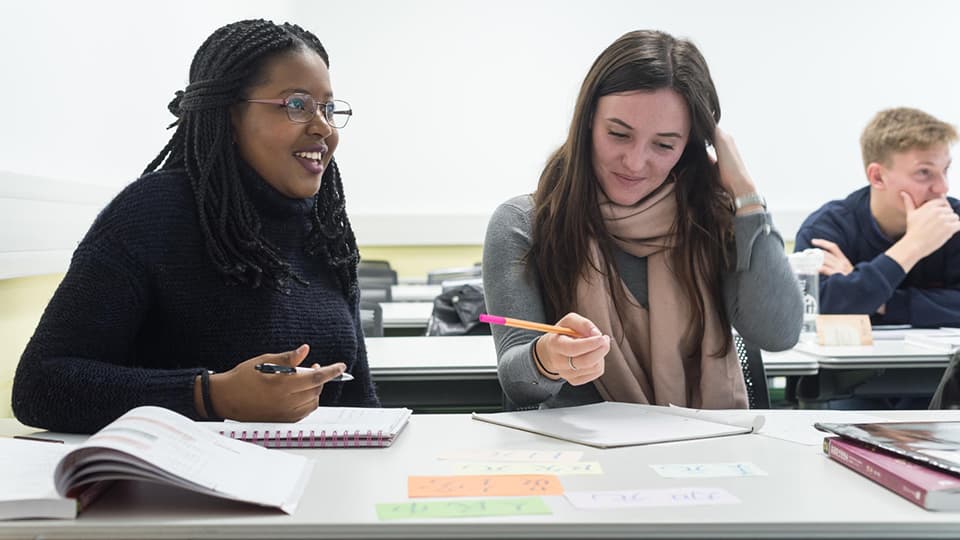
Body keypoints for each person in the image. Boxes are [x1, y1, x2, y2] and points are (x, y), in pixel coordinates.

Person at [11, 19, 378, 433]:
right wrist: (210, 394)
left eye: (328, 108)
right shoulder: (151, 215)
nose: (323, 127)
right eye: (297, 105)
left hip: (323, 480)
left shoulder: (326, 231)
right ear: (229, 114)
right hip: (176, 489)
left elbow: (360, 402)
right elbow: (40, 386)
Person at [482, 30, 802, 411]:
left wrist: (746, 196)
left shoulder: (711, 219)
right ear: (587, 121)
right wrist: (546, 359)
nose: (635, 162)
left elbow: (778, 333)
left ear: (691, 146)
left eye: (664, 145)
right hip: (583, 458)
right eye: (618, 134)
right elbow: (518, 385)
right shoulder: (526, 223)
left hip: (706, 451)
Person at [794, 107, 960, 327]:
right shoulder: (825, 230)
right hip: (851, 362)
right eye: (924, 173)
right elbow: (819, 307)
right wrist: (913, 246)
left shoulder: (953, 220)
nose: (942, 188)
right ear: (878, 176)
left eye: (945, 170)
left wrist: (875, 297)